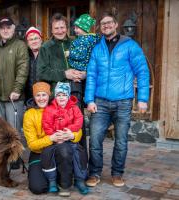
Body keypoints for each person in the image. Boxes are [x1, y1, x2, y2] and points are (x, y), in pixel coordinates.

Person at [84, 12, 150, 187]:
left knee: (120, 141)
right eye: (103, 24)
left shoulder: (130, 45)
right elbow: (91, 75)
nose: (106, 26)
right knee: (95, 139)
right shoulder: (97, 49)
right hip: (100, 102)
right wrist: (89, 100)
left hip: (123, 101)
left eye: (109, 23)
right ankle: (94, 173)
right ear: (100, 27)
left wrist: (143, 98)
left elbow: (142, 71)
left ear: (116, 24)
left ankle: (117, 173)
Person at [36, 12, 88, 150]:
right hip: (55, 96)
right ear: (51, 30)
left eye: (62, 27)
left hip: (75, 93)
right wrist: (64, 74)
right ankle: (57, 166)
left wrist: (83, 74)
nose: (60, 31)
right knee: (57, 130)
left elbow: (87, 65)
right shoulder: (46, 47)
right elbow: (41, 72)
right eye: (56, 28)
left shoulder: (76, 44)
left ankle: (80, 164)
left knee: (76, 128)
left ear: (67, 28)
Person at [23, 82, 83, 197]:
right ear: (34, 97)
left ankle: (62, 180)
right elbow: (32, 144)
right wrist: (50, 138)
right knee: (38, 187)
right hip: (39, 153)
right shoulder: (29, 114)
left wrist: (72, 135)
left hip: (58, 150)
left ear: (49, 95)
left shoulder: (59, 106)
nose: (41, 98)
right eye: (38, 95)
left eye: (44, 95)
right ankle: (47, 177)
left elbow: (78, 129)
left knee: (64, 151)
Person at [0, 17, 29, 169]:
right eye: (2, 28)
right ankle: (4, 158)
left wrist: (17, 89)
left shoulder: (20, 46)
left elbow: (23, 69)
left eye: (8, 27)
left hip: (14, 97)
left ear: (13, 29)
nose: (5, 30)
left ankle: (15, 159)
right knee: (1, 131)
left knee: (14, 130)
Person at [41, 82, 88, 195]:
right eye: (59, 95)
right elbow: (46, 124)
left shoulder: (74, 108)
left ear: (68, 96)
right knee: (51, 154)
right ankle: (53, 180)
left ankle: (79, 179)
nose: (61, 97)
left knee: (79, 153)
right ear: (55, 96)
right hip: (56, 140)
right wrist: (56, 135)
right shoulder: (50, 109)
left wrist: (69, 131)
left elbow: (79, 121)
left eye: (64, 95)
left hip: (69, 138)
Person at [24, 26, 42, 102]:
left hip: (44, 96)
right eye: (31, 39)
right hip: (29, 97)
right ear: (28, 43)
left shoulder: (46, 53)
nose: (34, 41)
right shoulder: (25, 55)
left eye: (36, 38)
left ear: (41, 40)